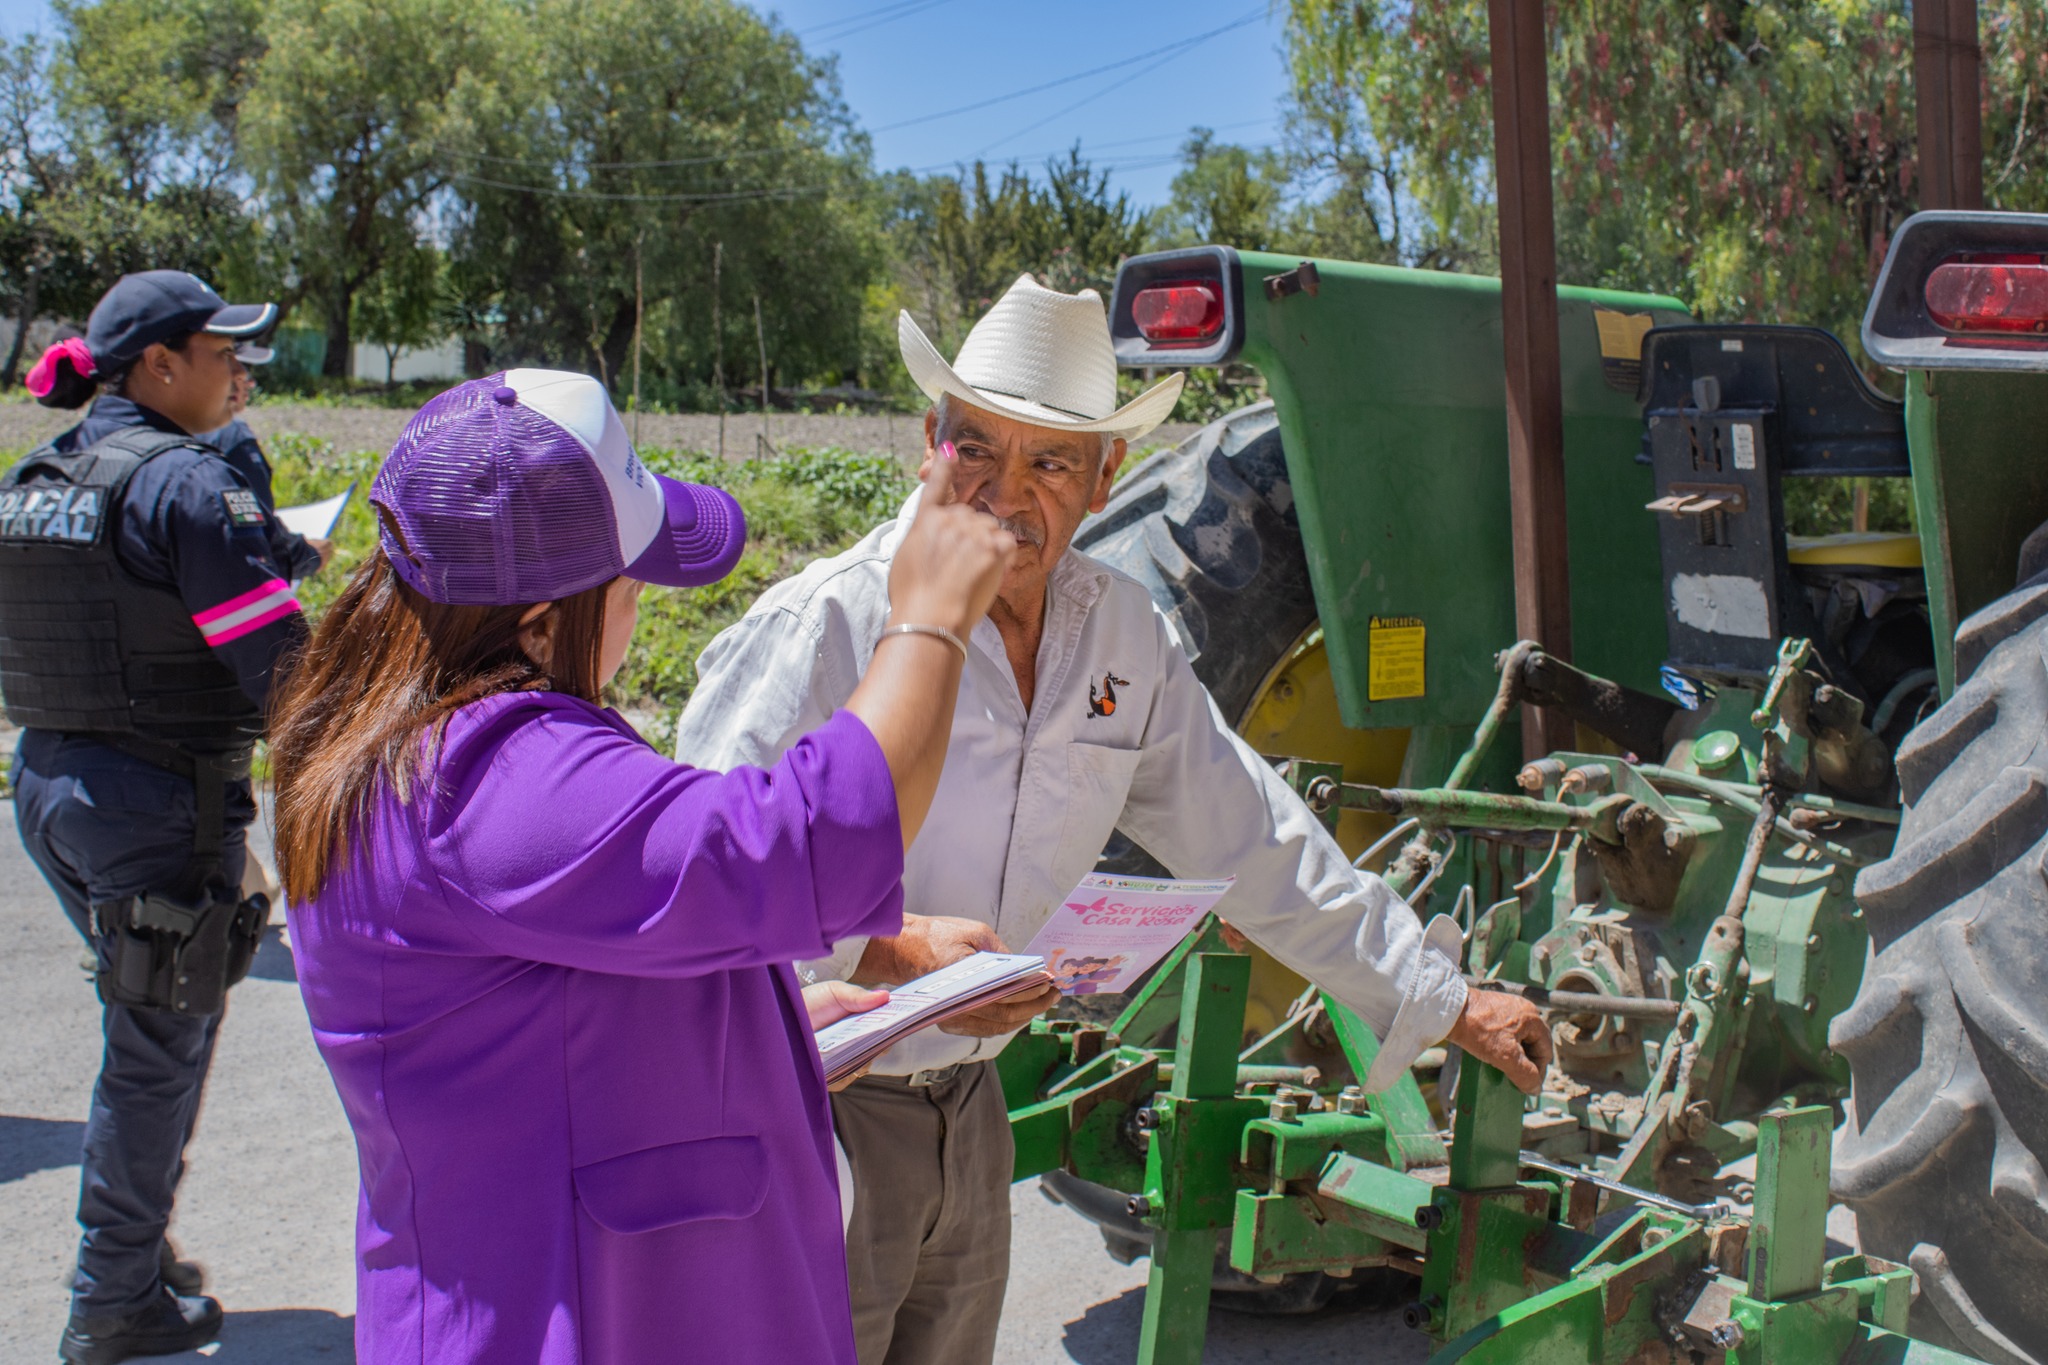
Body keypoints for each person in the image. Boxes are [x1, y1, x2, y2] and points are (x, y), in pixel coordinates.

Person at [673, 273, 1556, 1365]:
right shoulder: (827, 624)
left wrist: (1434, 995)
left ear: (1105, 482)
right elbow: (686, 894)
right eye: (975, 451)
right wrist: (889, 947)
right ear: (925, 443)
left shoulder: (1115, 637)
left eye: (1048, 462)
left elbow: (1252, 836)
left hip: (968, 1109)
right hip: (808, 1116)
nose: (1004, 494)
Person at [267, 368, 1016, 1364]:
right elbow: (812, 844)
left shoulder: (407, 741)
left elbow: (544, 1008)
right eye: (629, 581)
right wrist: (927, 617)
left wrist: (769, 1027)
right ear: (541, 614)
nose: (635, 600)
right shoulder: (492, 774)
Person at [3, 271, 294, 1364]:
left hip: (51, 786)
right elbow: (284, 673)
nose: (242, 372)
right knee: (156, 1047)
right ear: (158, 365)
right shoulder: (185, 483)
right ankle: (111, 1298)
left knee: (144, 1024)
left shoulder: (37, 475)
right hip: (156, 799)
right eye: (223, 353)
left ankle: (133, 1250)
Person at [199, 344, 333, 580]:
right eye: (229, 361)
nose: (246, 380)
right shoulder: (232, 436)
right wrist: (308, 555)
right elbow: (259, 541)